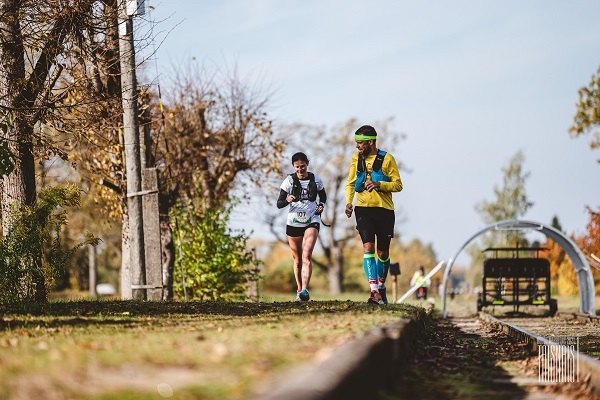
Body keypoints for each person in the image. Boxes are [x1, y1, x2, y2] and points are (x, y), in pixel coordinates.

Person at [345, 125, 403, 305]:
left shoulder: (387, 159)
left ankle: (381, 286)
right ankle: (374, 292)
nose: (357, 146)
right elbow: (350, 183)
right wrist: (349, 202)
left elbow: (398, 185)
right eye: (356, 143)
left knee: (383, 252)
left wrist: (379, 185)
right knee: (368, 247)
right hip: (363, 209)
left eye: (360, 143)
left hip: (384, 210)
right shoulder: (356, 159)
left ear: (371, 142)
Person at [277, 152, 327, 302]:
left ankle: (305, 289)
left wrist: (321, 205)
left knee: (307, 255)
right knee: (297, 260)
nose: (300, 170)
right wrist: (287, 200)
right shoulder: (288, 181)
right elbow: (279, 204)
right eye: (297, 167)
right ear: (293, 166)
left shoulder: (316, 179)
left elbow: (323, 196)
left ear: (307, 164)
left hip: (312, 219)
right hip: (294, 222)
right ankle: (299, 289)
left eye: (303, 166)